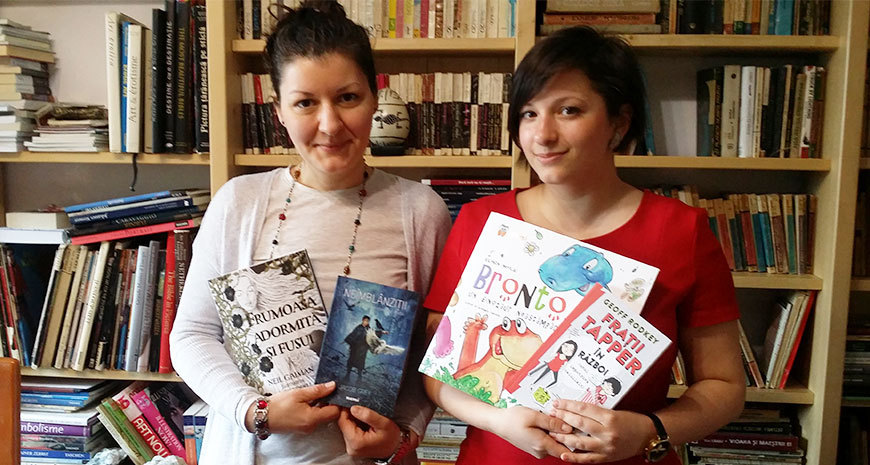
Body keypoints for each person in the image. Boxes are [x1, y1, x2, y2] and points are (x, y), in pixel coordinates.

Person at [422, 26, 745, 465]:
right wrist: (497, 420)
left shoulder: (681, 231)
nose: (542, 135)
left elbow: (724, 386)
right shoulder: (482, 222)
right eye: (529, 114)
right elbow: (439, 366)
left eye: (568, 110)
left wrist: (650, 431)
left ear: (619, 122)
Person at [169, 2, 451, 464]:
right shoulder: (239, 202)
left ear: (375, 98)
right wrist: (255, 411)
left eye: (348, 98)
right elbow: (192, 336)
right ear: (279, 110)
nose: (330, 124)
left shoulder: (420, 211)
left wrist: (403, 438)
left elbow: (433, 350)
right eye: (305, 103)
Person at [345, 315, 372, 381]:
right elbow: (353, 334)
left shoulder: (369, 330)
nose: (366, 322)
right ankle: (347, 375)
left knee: (360, 363)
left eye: (367, 321)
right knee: (351, 361)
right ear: (363, 320)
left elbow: (371, 337)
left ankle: (359, 378)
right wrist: (350, 341)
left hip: (362, 349)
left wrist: (382, 332)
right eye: (365, 320)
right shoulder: (358, 328)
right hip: (355, 348)